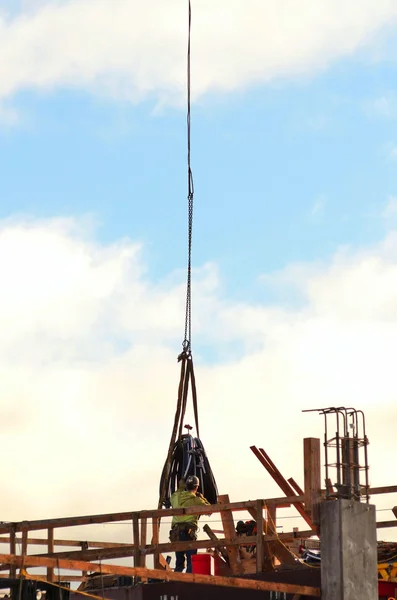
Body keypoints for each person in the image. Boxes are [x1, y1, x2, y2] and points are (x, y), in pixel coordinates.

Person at [169, 475, 210, 573]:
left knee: (179, 561)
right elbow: (209, 510)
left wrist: (180, 488)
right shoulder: (196, 500)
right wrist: (202, 498)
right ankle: (188, 582)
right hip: (188, 533)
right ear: (196, 487)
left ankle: (176, 582)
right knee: (191, 561)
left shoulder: (175, 497)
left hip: (176, 534)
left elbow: (174, 496)